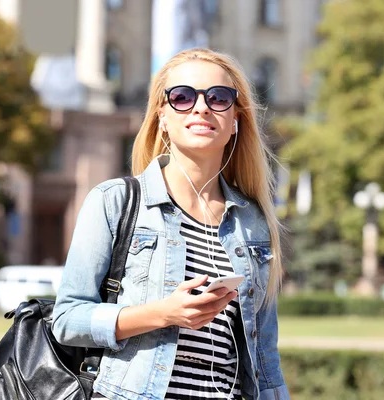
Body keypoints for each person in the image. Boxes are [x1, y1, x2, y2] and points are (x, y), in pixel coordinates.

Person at [52, 48, 290, 400]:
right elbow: (68, 320)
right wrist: (163, 314)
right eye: (182, 97)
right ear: (162, 115)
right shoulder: (115, 201)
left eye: (219, 97)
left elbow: (265, 355)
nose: (201, 107)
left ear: (236, 119)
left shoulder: (252, 221)